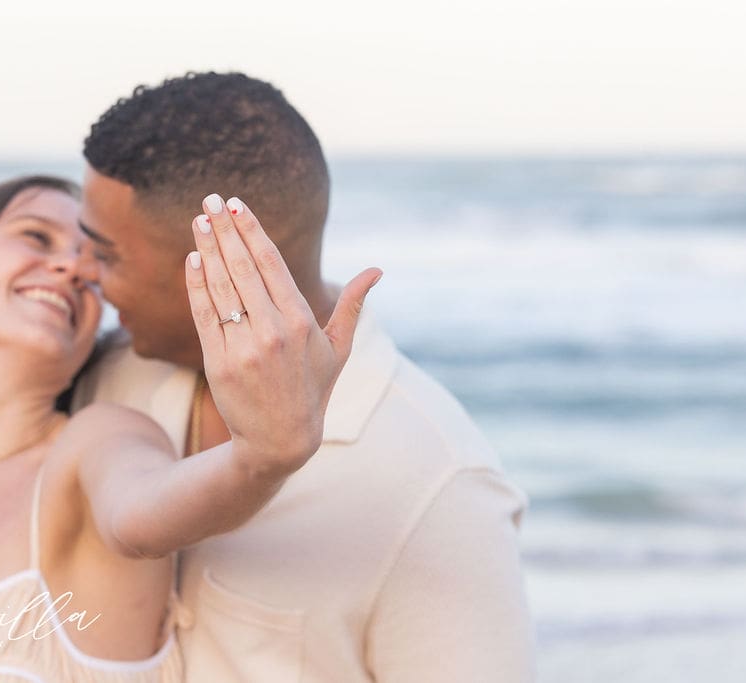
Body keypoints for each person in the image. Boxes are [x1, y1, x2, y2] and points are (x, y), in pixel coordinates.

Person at [0, 175, 378, 682]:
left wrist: (259, 457)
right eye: (36, 238)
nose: (75, 269)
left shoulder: (90, 449)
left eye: (92, 268)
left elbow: (140, 513)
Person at [74, 72, 536, 682]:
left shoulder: (436, 482)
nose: (81, 273)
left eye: (106, 254)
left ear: (222, 263)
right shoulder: (104, 380)